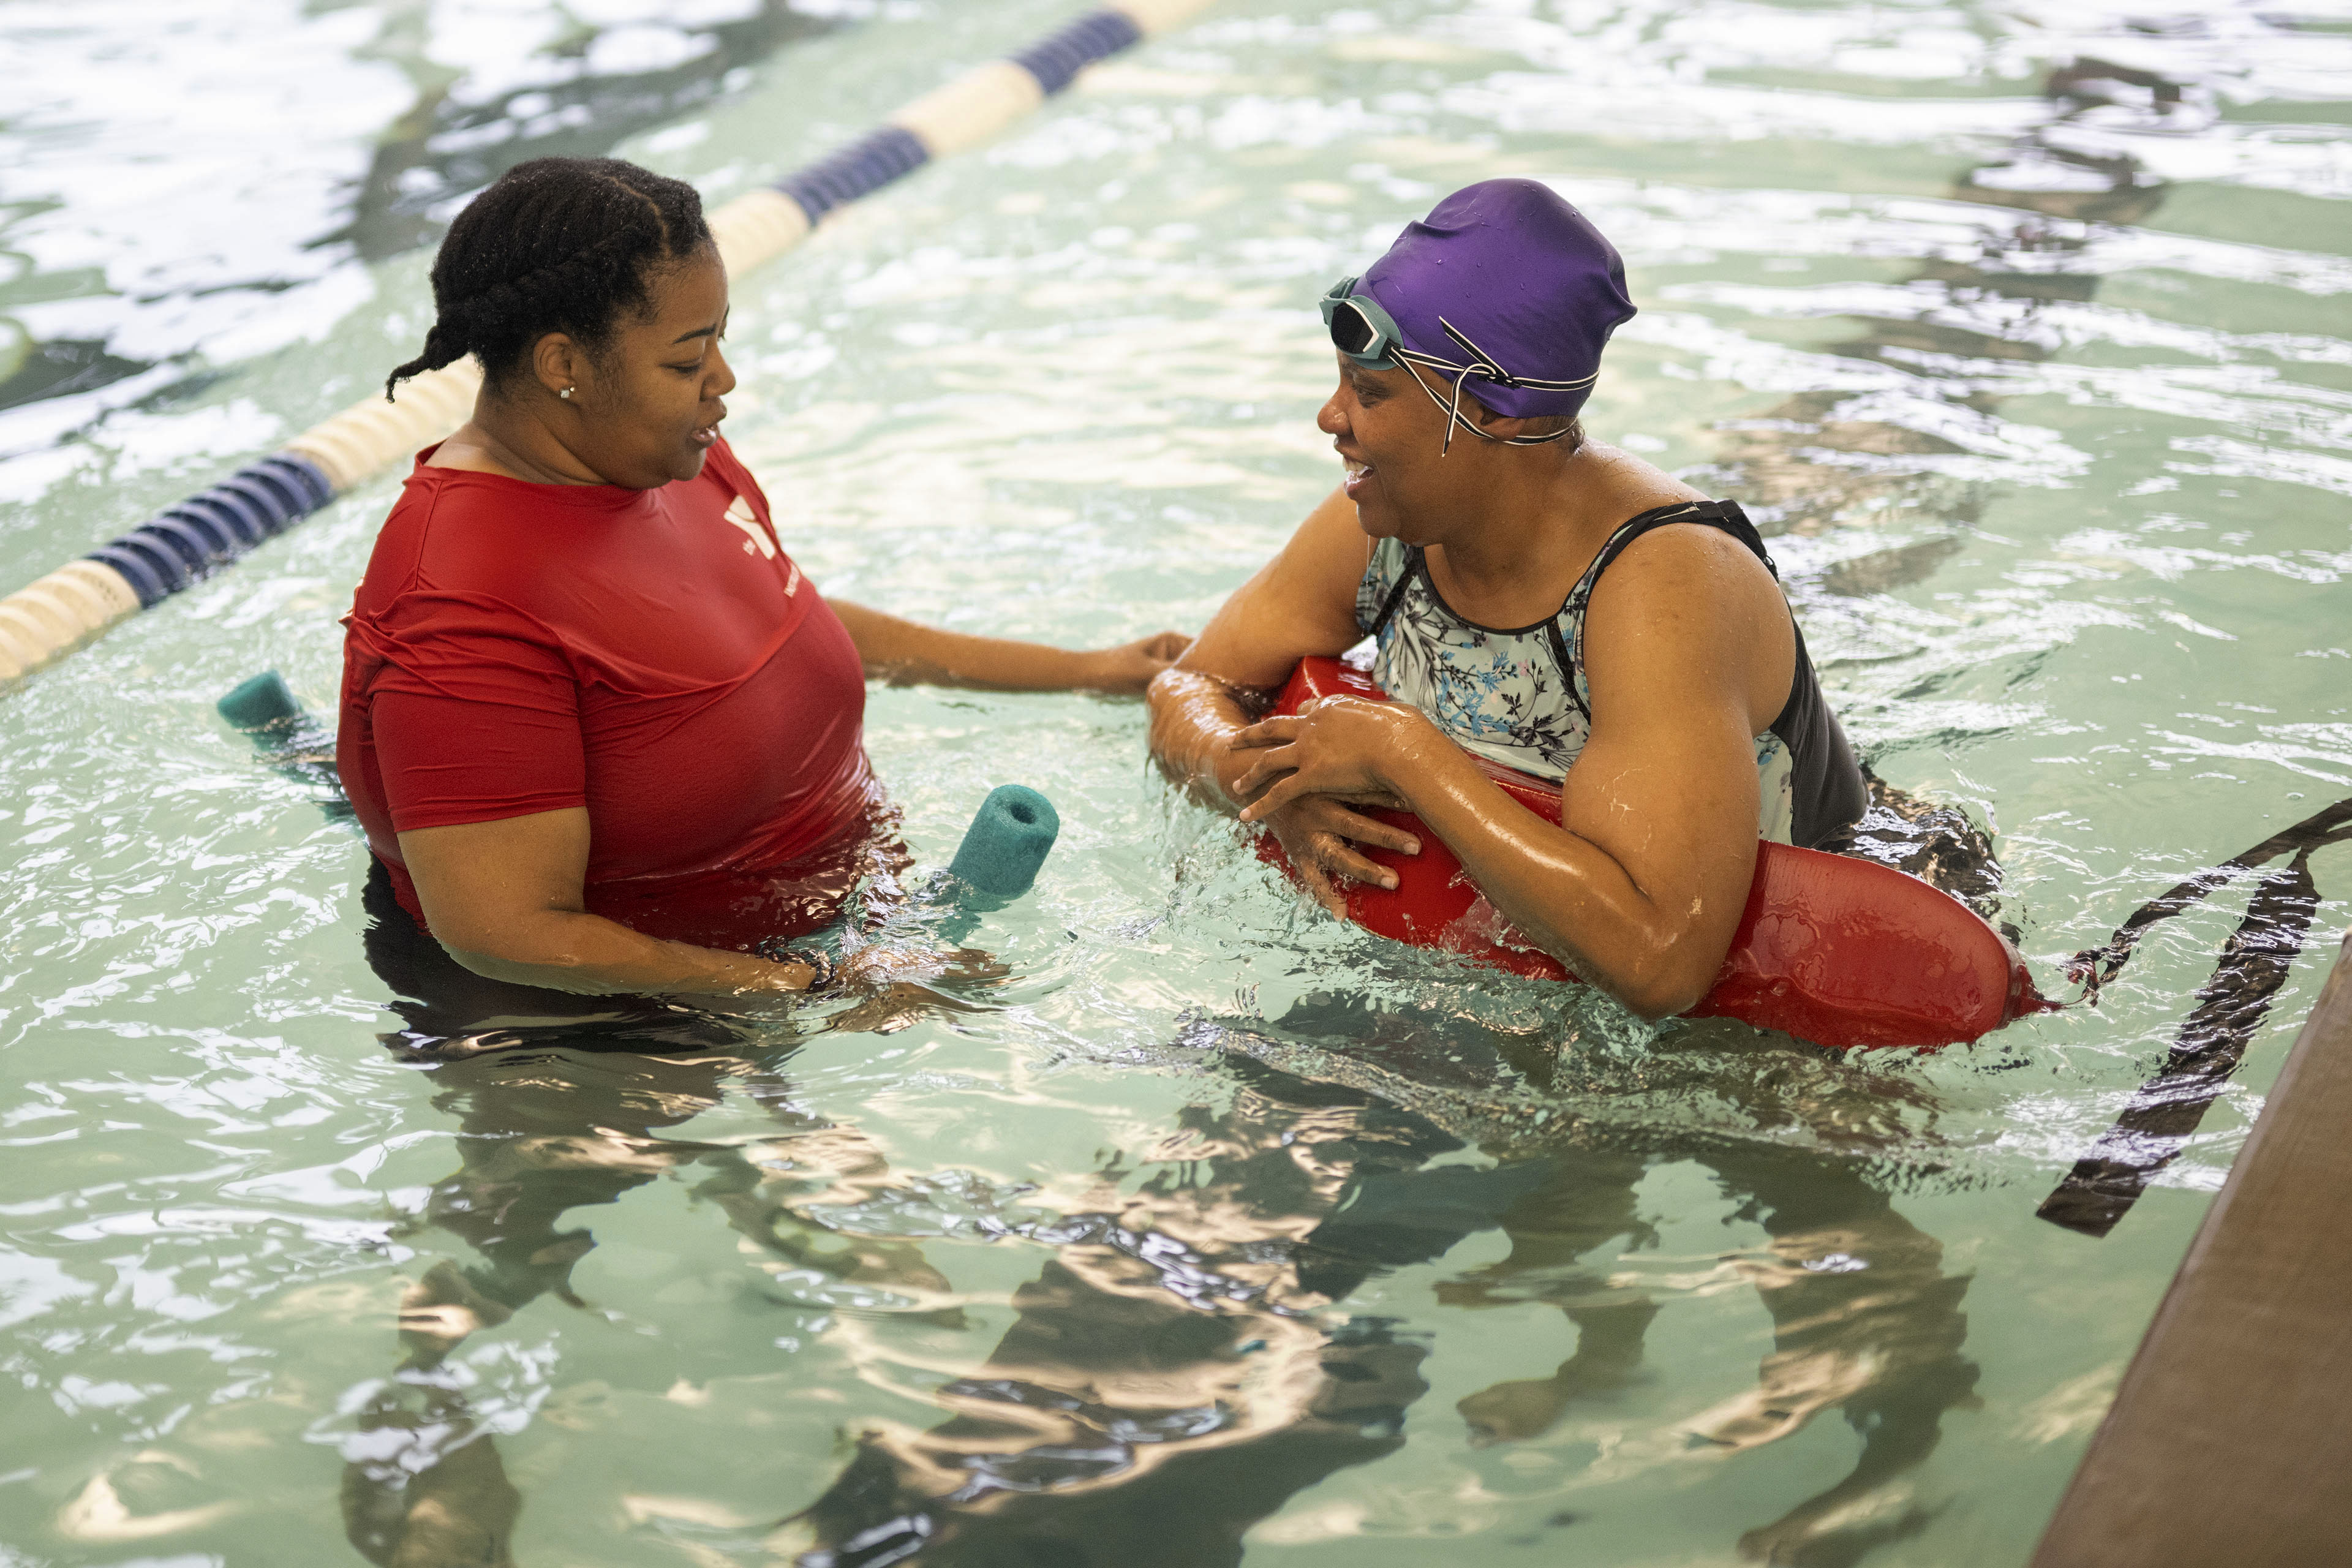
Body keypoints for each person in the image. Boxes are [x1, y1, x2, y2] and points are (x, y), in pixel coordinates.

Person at [340, 156, 1186, 1017]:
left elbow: (778, 621)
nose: (723, 379)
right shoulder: (459, 604)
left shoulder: (655, 457)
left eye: (718, 337)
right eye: (685, 358)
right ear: (565, 364)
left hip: (830, 952)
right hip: (608, 1035)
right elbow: (504, 932)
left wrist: (1084, 669)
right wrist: (808, 987)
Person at [1147, 179, 1866, 1022]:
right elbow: (1188, 689)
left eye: (1371, 394)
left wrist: (1404, 755)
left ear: (1501, 415)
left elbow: (1664, 964)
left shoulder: (1661, 591)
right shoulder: (1386, 525)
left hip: (1832, 950)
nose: (1329, 418)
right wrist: (1260, 780)